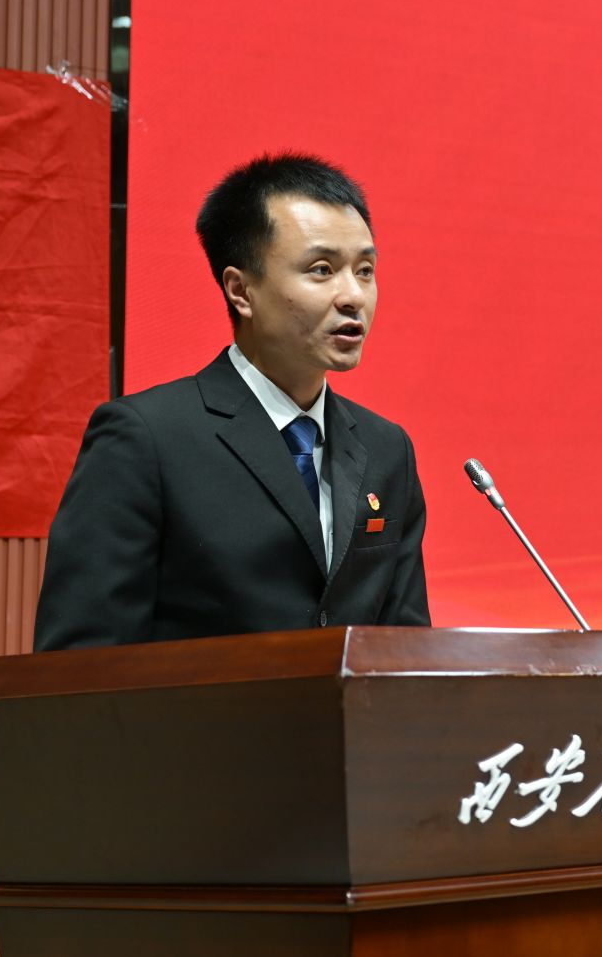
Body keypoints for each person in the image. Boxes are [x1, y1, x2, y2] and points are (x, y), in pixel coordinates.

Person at [33, 154, 430, 649]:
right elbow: (80, 659)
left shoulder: (386, 449)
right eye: (322, 269)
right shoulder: (147, 439)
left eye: (365, 270)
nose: (353, 295)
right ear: (241, 290)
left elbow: (408, 653)